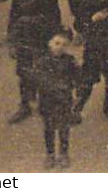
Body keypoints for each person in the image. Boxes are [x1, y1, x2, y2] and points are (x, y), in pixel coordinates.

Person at [32, 30, 81, 169]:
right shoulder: (42, 61)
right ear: (49, 44)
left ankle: (64, 154)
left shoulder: (70, 61)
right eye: (57, 43)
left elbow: (78, 77)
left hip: (64, 100)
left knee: (64, 128)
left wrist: (77, 92)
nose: (59, 47)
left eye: (64, 45)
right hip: (47, 100)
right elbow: (38, 80)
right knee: (49, 128)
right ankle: (50, 154)